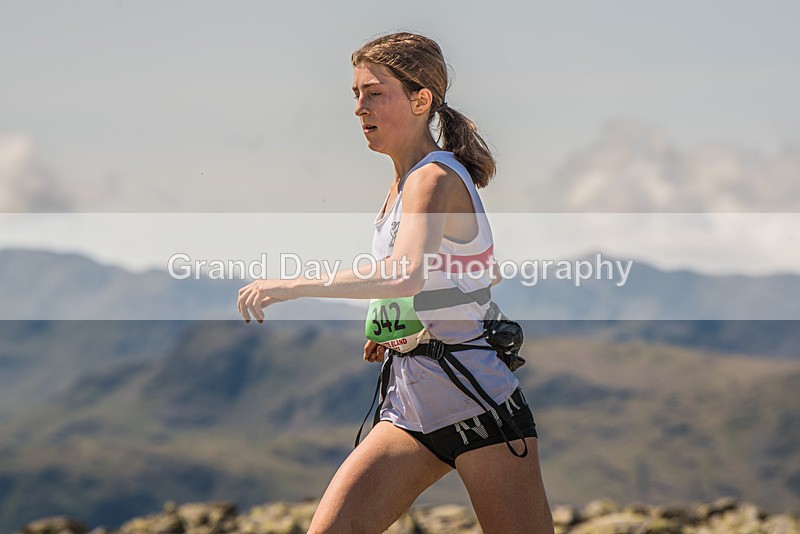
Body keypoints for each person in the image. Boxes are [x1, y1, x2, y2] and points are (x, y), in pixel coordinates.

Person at [237, 31, 554, 534]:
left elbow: (404, 272)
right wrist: (390, 326)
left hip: (479, 405)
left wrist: (292, 286)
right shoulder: (402, 186)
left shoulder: (433, 178)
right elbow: (456, 276)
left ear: (420, 99)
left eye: (375, 92)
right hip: (411, 408)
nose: (360, 107)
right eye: (356, 94)